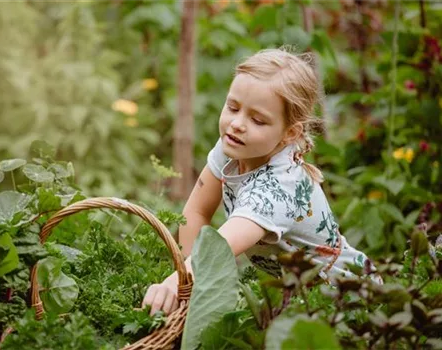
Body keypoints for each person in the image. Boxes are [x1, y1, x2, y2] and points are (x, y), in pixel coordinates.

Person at [142, 48, 378, 317]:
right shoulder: (234, 146)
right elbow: (197, 211)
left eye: (257, 120)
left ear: (290, 133)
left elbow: (218, 249)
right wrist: (185, 279)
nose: (237, 124)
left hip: (348, 300)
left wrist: (177, 284)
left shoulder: (278, 189)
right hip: (297, 298)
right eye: (232, 107)